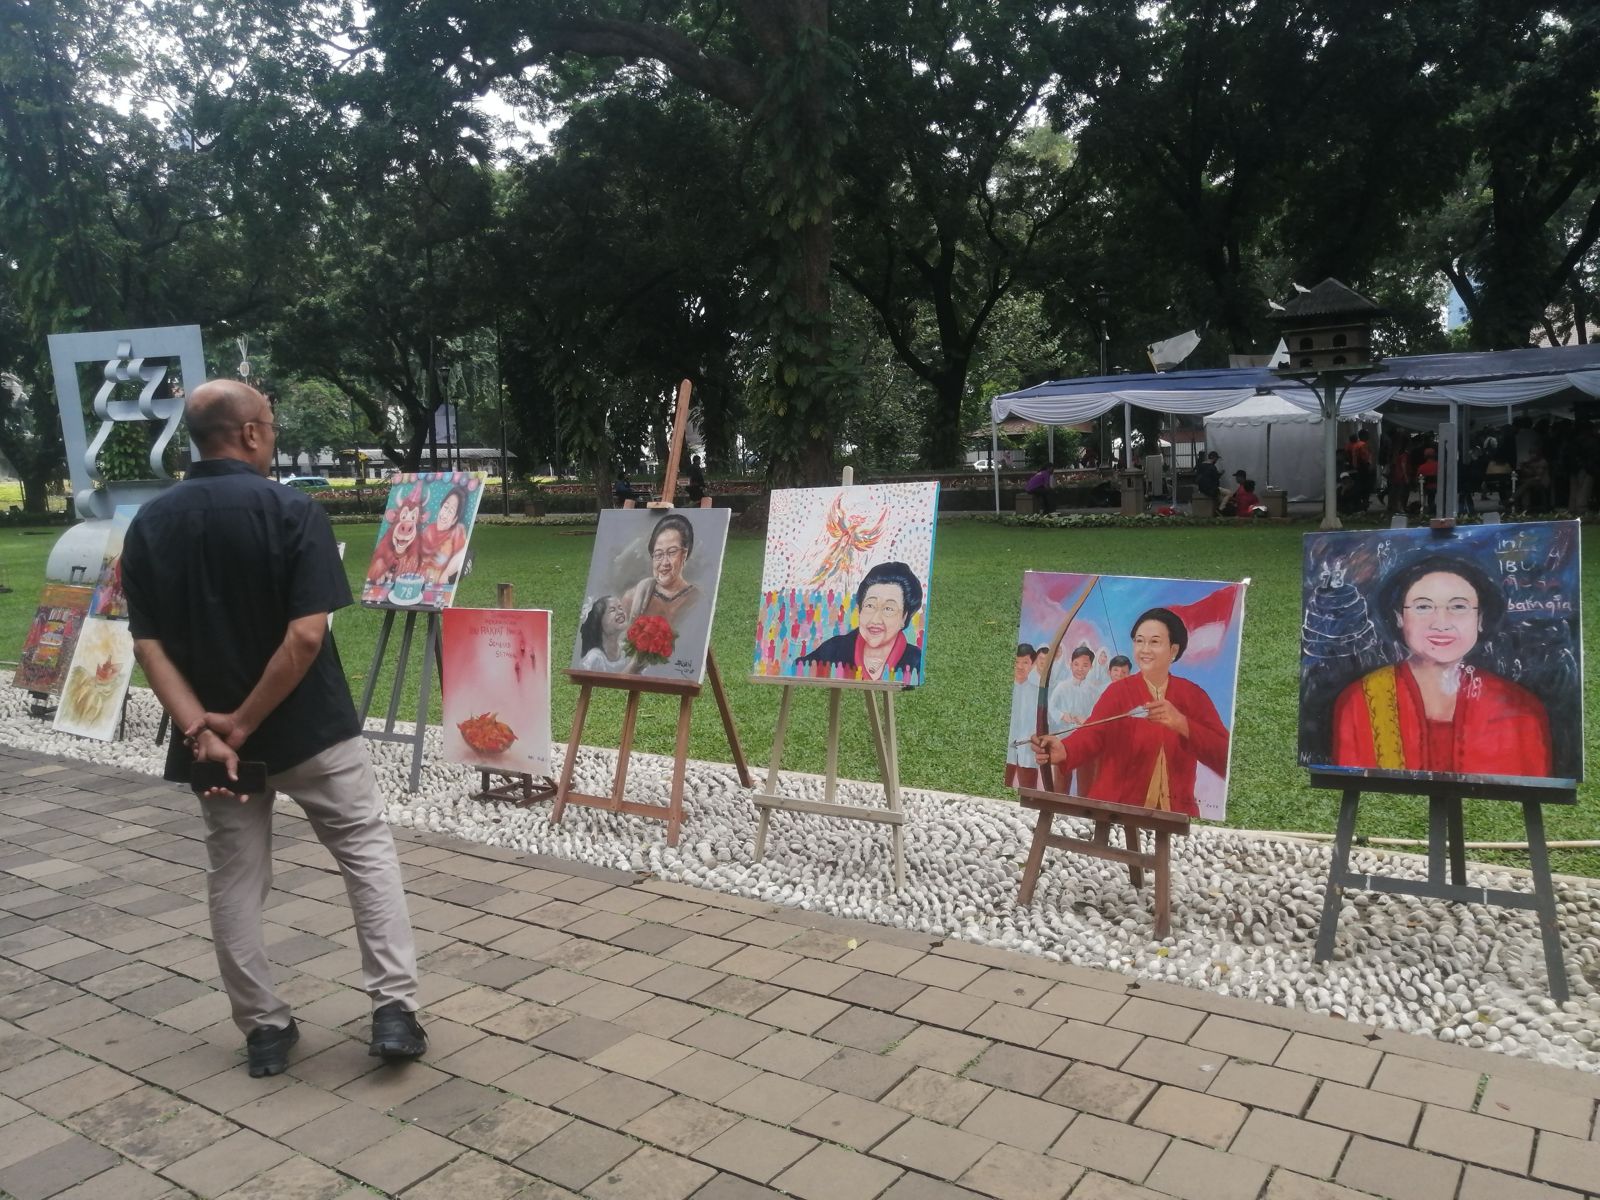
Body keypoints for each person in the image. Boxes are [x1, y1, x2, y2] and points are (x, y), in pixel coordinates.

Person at [120, 380, 425, 1079]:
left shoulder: (150, 525)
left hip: (216, 752)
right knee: (365, 855)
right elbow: (305, 638)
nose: (275, 435)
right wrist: (246, 720)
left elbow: (149, 645)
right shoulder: (291, 510)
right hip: (311, 730)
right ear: (251, 432)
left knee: (233, 876)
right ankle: (393, 1012)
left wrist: (205, 731)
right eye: (274, 424)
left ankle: (263, 1029)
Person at [1329, 556, 1551, 777]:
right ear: (1399, 617)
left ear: (1480, 618)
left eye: (1458, 606)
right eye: (1423, 607)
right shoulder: (1361, 701)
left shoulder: (1520, 710)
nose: (1441, 623)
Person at [1031, 608, 1230, 815]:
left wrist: (1182, 723)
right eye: (1139, 641)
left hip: (1175, 808)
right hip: (1116, 804)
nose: (1144, 649)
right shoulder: (1117, 692)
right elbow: (1093, 733)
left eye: (1154, 642)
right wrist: (1064, 750)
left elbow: (1223, 754)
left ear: (1173, 650)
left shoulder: (1193, 695)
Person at [796, 560, 924, 681]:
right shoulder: (835, 649)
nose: (876, 619)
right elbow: (797, 668)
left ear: (904, 617)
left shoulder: (915, 660)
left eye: (888, 608)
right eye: (870, 605)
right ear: (860, 610)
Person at [625, 514, 702, 659]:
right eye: (658, 554)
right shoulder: (634, 597)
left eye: (672, 552)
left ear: (684, 554)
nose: (664, 562)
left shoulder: (697, 601)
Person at [419, 482, 471, 586]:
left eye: (451, 511)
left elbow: (462, 554)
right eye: (445, 507)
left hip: (438, 585)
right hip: (417, 581)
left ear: (454, 519)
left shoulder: (457, 531)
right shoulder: (428, 530)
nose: (445, 514)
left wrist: (446, 574)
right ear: (441, 507)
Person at [1006, 645, 1041, 789]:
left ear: (1032, 665)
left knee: (1028, 792)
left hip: (1027, 750)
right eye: (1016, 662)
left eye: (1025, 662)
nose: (1020, 667)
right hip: (1006, 749)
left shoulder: (1037, 693)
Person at [578, 595, 629, 671]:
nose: (620, 612)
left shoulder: (626, 651)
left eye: (620, 608)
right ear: (599, 621)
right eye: (612, 610)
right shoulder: (594, 659)